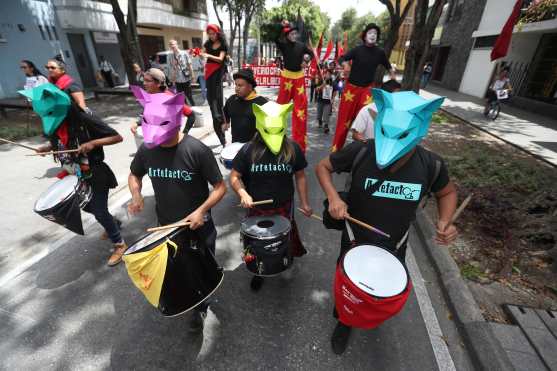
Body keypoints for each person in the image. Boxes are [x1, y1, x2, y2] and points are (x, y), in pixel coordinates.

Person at [315, 89, 458, 355]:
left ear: (419, 130)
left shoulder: (430, 165)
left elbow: (447, 192)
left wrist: (445, 221)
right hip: (354, 240)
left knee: (379, 292)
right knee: (349, 289)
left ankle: (369, 314)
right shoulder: (361, 151)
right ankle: (344, 320)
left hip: (395, 244)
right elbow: (323, 167)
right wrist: (334, 198)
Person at [128, 86, 226, 333]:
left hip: (198, 226)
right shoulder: (147, 149)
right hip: (165, 229)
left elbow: (220, 187)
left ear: (175, 119)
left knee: (201, 271)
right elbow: (134, 174)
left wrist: (201, 210)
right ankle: (187, 300)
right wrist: (136, 194)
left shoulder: (196, 150)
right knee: (178, 270)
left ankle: (201, 305)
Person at [30, 61, 126, 265]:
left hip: (96, 171)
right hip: (76, 173)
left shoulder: (84, 118)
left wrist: (92, 143)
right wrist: (46, 148)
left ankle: (119, 244)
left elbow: (117, 137)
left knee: (99, 210)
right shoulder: (57, 126)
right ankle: (114, 223)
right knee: (87, 206)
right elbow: (60, 144)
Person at [230, 101, 312, 291]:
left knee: (284, 238)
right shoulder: (248, 150)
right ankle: (258, 270)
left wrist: (305, 202)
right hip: (256, 207)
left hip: (284, 205)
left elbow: (300, 176)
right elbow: (234, 176)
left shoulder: (292, 148)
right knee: (257, 242)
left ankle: (285, 261)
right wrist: (242, 192)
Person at [331, 23, 396, 152]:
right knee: (343, 123)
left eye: (375, 33)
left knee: (368, 121)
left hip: (367, 90)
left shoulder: (380, 52)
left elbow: (388, 66)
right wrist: (345, 65)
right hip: (351, 90)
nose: (373, 35)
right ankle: (335, 151)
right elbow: (341, 59)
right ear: (365, 36)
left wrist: (392, 76)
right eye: (370, 32)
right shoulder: (357, 50)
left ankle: (363, 151)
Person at [275, 19, 314, 152]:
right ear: (287, 35)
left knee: (300, 112)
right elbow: (275, 38)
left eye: (295, 33)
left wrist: (306, 60)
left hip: (299, 79)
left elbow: (311, 54)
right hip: (286, 78)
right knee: (279, 110)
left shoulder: (301, 45)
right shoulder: (283, 44)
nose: (293, 35)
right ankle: (276, 139)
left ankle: (299, 145)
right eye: (291, 33)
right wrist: (281, 26)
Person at [130, 68, 195, 136]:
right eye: (144, 80)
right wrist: (137, 123)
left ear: (158, 83)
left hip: (171, 142)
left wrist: (184, 134)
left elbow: (192, 115)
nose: (144, 83)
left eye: (148, 81)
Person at [223, 68, 268, 143]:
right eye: (236, 85)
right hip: (236, 147)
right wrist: (225, 123)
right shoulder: (231, 100)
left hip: (256, 148)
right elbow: (225, 113)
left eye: (240, 85)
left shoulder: (262, 103)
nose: (237, 88)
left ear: (250, 87)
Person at [202, 24, 228, 148]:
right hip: (209, 76)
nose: (211, 36)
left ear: (218, 33)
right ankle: (222, 139)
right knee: (214, 110)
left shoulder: (223, 45)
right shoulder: (207, 45)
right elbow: (203, 55)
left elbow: (220, 59)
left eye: (213, 33)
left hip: (217, 77)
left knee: (219, 105)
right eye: (209, 34)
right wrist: (198, 54)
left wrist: (208, 56)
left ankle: (224, 123)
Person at [167, 39, 196, 106]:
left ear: (177, 45)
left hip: (186, 78)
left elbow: (189, 65)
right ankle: (188, 112)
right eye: (171, 45)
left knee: (189, 95)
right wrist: (172, 78)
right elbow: (170, 68)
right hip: (177, 80)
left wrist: (193, 76)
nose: (172, 46)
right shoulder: (169, 56)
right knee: (182, 97)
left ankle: (194, 109)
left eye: (173, 44)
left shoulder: (184, 53)